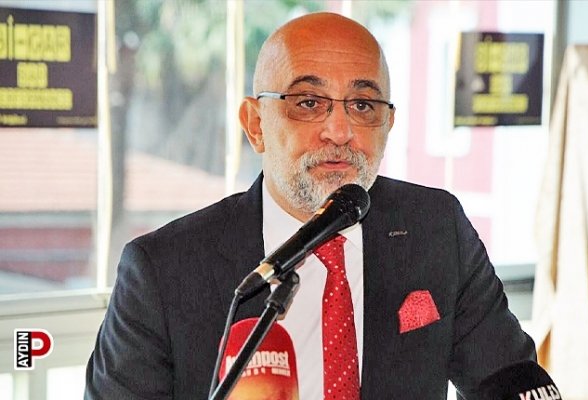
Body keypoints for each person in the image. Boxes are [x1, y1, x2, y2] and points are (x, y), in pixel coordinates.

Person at [85, 12, 537, 399]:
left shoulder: (435, 229)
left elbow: (510, 379)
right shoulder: (163, 271)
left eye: (363, 105)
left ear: (388, 124)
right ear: (255, 125)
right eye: (308, 102)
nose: (339, 131)